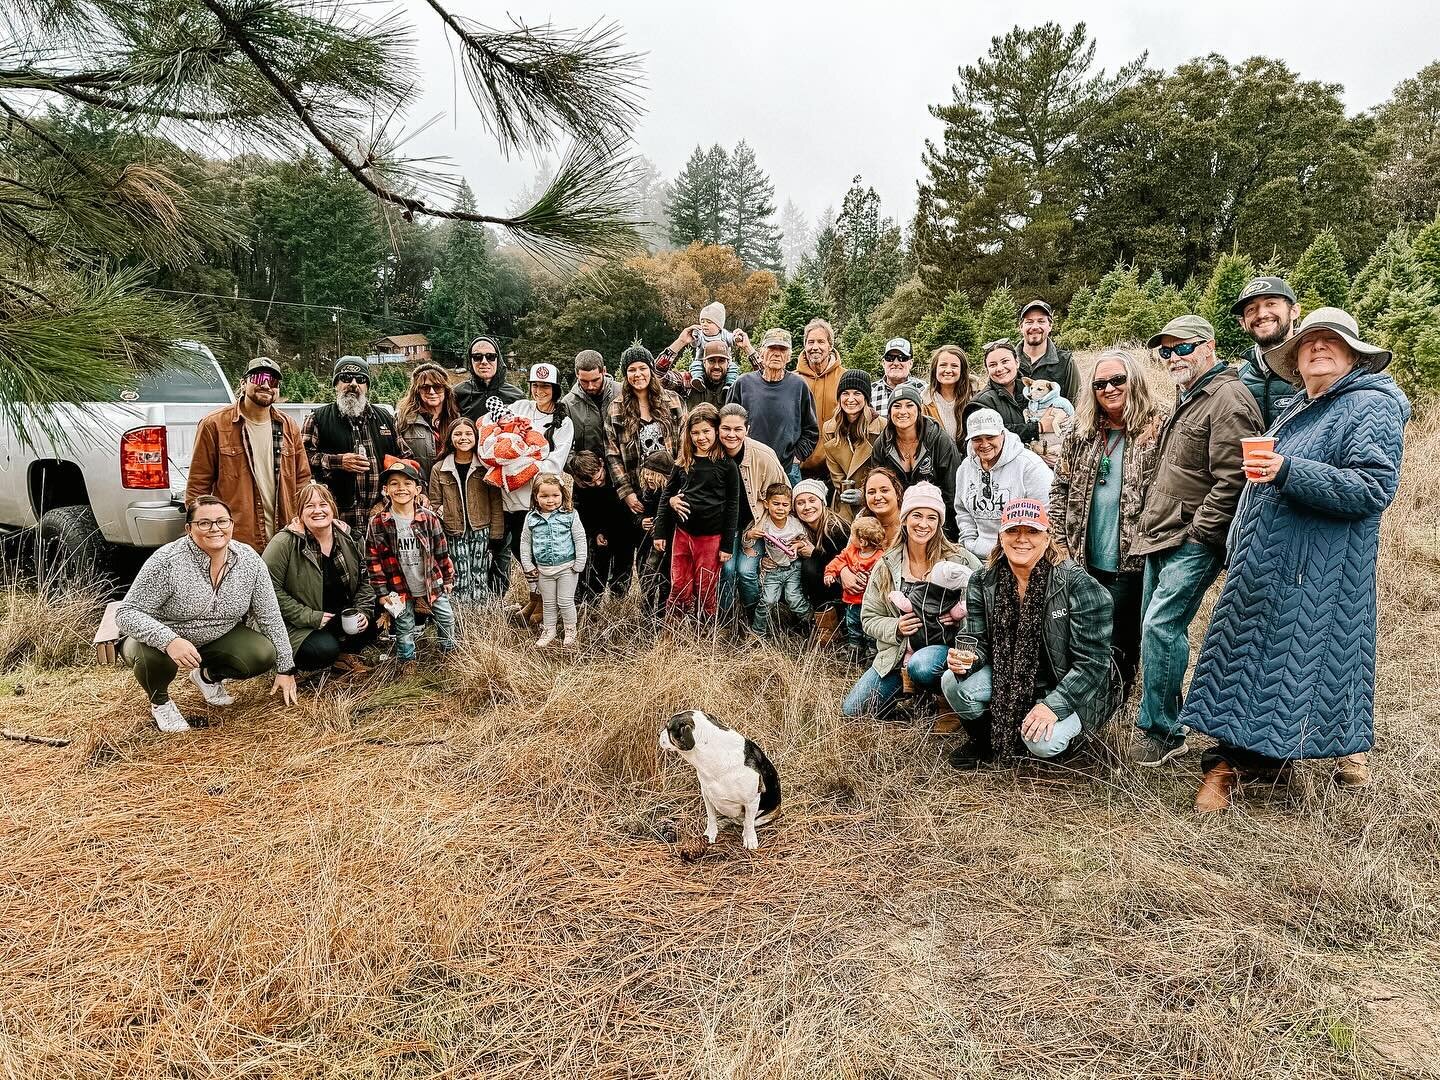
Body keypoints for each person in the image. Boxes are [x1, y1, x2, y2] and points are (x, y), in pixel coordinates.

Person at [1182, 308, 1410, 810]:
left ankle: (1232, 766)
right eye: (1309, 343)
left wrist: (1287, 469)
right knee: (1248, 660)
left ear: (1354, 354)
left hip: (1315, 569)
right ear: (1296, 358)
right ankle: (1261, 763)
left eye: (1332, 341)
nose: (1318, 348)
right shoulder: (1298, 405)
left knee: (1285, 665)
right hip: (1266, 560)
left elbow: (1372, 488)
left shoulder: (1370, 405)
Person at [1130, 314, 1262, 768]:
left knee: (1160, 626)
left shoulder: (1229, 399)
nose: (1173, 358)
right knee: (1154, 626)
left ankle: (1163, 730)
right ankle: (1162, 718)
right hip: (1163, 533)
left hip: (1193, 538)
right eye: (1165, 351)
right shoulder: (1192, 395)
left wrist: (1200, 534)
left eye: (1182, 347)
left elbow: (1234, 479)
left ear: (1207, 346)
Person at [941, 499, 1114, 768]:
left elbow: (1093, 663)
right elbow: (975, 639)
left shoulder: (1077, 584)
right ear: (1001, 536)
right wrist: (966, 658)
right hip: (1009, 676)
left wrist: (1055, 705)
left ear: (1047, 539)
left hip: (1069, 683)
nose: (1022, 540)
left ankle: (1067, 742)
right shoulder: (982, 580)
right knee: (952, 681)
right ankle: (987, 743)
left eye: (1032, 531)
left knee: (1042, 743)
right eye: (1013, 531)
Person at [115, 496, 297, 732]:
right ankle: (160, 702)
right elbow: (126, 612)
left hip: (216, 636)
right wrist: (169, 640)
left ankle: (207, 677)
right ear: (189, 529)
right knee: (153, 661)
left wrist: (286, 667)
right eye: (204, 523)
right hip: (159, 639)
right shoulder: (166, 561)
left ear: (232, 525)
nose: (215, 529)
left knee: (262, 654)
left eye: (222, 521)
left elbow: (269, 615)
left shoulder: (249, 560)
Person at [1049, 349, 1167, 697]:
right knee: (1083, 632)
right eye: (1100, 383)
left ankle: (1115, 701)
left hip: (1133, 558)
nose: (1109, 389)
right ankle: (1084, 696)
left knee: (1121, 637)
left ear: (1135, 381)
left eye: (1118, 380)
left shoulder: (1158, 427)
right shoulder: (1080, 431)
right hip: (1083, 556)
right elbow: (1059, 488)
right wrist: (1060, 544)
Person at [841, 483, 980, 720]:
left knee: (922, 666)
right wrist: (896, 627)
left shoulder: (958, 558)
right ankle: (915, 697)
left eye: (931, 517)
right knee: (853, 711)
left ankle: (946, 701)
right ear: (904, 519)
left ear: (939, 523)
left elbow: (982, 591)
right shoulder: (887, 564)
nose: (923, 524)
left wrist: (960, 616)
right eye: (916, 515)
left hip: (944, 650)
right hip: (898, 656)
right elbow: (868, 618)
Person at [187, 357, 310, 552]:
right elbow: (197, 487)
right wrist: (203, 535)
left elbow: (302, 480)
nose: (266, 384)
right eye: (259, 377)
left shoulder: (289, 426)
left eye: (274, 381)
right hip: (236, 542)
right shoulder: (214, 425)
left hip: (284, 540)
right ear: (243, 384)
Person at [262, 481, 375, 674]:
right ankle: (295, 663)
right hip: (298, 620)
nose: (318, 510)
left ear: (332, 508)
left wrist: (363, 611)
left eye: (323, 504)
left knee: (373, 622)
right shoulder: (285, 542)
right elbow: (267, 591)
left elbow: (366, 579)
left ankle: (342, 654)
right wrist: (311, 617)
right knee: (323, 650)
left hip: (335, 613)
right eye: (309, 506)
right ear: (300, 513)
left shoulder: (348, 537)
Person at [693, 403, 788, 620]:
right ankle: (725, 619)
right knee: (726, 571)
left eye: (738, 429)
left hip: (753, 524)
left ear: (747, 429)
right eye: (726, 429)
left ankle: (755, 617)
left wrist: (764, 528)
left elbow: (783, 493)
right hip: (723, 526)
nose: (732, 435)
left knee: (745, 571)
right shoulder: (710, 453)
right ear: (718, 429)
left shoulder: (763, 456)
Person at [490, 363, 575, 602]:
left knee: (542, 555)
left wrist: (518, 464)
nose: (540, 391)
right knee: (521, 553)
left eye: (546, 386)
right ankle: (534, 599)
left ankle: (547, 603)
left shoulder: (563, 422)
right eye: (536, 385)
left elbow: (554, 465)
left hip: (538, 501)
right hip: (511, 499)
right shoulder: (519, 407)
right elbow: (499, 436)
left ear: (556, 388)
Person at [301, 357, 405, 540]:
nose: (354, 384)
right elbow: (303, 459)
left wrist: (386, 499)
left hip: (380, 517)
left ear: (367, 386)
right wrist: (338, 462)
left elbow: (404, 461)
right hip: (336, 519)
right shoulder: (318, 418)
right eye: (347, 378)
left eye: (360, 379)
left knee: (381, 568)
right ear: (336, 384)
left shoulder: (386, 419)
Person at [604, 345, 686, 577]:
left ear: (651, 370)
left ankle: (671, 604)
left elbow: (684, 445)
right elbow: (612, 454)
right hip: (639, 491)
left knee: (671, 549)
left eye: (642, 368)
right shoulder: (616, 408)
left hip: (672, 489)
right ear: (625, 374)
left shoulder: (673, 401)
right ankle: (649, 604)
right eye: (631, 370)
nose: (638, 374)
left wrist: (681, 485)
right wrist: (626, 492)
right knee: (645, 553)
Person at [653, 404, 740, 620]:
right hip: (683, 534)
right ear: (688, 434)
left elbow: (732, 504)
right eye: (695, 433)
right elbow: (667, 495)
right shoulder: (684, 462)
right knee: (680, 584)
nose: (700, 437)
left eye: (706, 431)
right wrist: (660, 531)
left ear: (716, 431)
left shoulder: (726, 465)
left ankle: (705, 631)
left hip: (711, 538)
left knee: (706, 586)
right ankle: (674, 629)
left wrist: (727, 544)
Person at [367, 460, 456, 668]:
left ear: (417, 490)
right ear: (385, 490)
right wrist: (381, 594)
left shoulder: (429, 519)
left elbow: (442, 550)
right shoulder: (378, 523)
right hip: (398, 587)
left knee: (446, 616)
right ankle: (408, 661)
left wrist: (448, 577)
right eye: (394, 484)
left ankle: (448, 653)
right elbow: (374, 561)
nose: (401, 489)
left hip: (430, 582)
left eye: (407, 483)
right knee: (404, 624)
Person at [562, 351, 627, 600]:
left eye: (595, 381)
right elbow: (563, 446)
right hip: (589, 487)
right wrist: (577, 470)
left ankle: (620, 596)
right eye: (583, 381)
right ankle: (590, 598)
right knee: (593, 546)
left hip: (620, 482)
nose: (589, 386)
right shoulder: (569, 403)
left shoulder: (623, 392)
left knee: (622, 544)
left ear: (604, 371)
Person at [953, 407, 1053, 560]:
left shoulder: (1030, 466)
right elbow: (962, 510)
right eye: (977, 439)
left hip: (1020, 557)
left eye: (990, 437)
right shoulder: (965, 468)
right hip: (976, 556)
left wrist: (1021, 553)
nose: (984, 444)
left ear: (1002, 434)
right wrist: (969, 542)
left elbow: (1047, 514)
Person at [727, 327, 819, 487]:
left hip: (788, 470)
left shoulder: (799, 386)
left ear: (789, 356)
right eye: (772, 348)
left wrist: (796, 457)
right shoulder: (743, 384)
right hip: (748, 467)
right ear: (762, 352)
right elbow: (726, 425)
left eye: (782, 349)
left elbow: (811, 430)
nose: (777, 353)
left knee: (788, 512)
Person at [428, 416, 504, 604]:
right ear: (450, 438)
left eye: (469, 433)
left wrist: (496, 533)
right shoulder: (440, 468)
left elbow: (495, 502)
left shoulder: (485, 467)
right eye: (458, 434)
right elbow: (435, 502)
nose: (464, 438)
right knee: (459, 572)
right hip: (453, 530)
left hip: (481, 527)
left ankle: (479, 612)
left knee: (480, 571)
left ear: (476, 437)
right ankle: (461, 613)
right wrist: (449, 517)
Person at [869, 386, 961, 539]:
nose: (903, 411)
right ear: (889, 412)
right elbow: (878, 485)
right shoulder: (882, 444)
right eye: (897, 406)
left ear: (919, 409)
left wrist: (946, 533)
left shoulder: (939, 440)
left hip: (935, 521)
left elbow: (952, 491)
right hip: (897, 521)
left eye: (909, 405)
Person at [519, 472, 587, 648]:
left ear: (563, 495)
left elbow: (579, 538)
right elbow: (525, 542)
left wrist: (580, 562)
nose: (550, 500)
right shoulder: (531, 518)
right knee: (548, 603)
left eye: (555, 495)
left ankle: (570, 630)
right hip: (544, 569)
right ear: (536, 497)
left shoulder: (570, 515)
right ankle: (549, 630)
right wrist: (527, 564)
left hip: (567, 568)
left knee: (565, 601)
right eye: (544, 496)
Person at [1231, 276, 1302, 428]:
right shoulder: (1238, 381)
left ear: (1294, 311)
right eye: (1251, 309)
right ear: (1243, 323)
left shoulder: (1316, 370)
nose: (1262, 314)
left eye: (1271, 303)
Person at [745, 482, 811, 637]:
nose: (780, 508)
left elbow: (806, 540)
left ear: (790, 507)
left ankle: (812, 623)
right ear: (767, 504)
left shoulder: (794, 524)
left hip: (793, 567)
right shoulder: (763, 523)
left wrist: (799, 545)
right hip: (773, 570)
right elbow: (746, 543)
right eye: (776, 504)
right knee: (767, 601)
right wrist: (749, 535)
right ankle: (757, 633)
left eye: (785, 505)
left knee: (794, 598)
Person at [970, 340, 1063, 445]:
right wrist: (1038, 428)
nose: (1000, 368)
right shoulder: (981, 402)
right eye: (992, 365)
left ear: (1017, 363)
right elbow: (990, 435)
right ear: (987, 370)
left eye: (1005, 361)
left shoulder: (1033, 390)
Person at [823, 369, 886, 522]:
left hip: (875, 500)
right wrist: (847, 492)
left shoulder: (883, 427)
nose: (850, 399)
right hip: (843, 503)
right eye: (845, 393)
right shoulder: (829, 428)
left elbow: (886, 472)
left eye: (857, 393)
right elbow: (836, 475)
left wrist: (864, 494)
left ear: (866, 398)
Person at [791, 477, 850, 633]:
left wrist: (815, 554)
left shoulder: (834, 529)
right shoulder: (801, 529)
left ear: (822, 502)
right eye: (800, 502)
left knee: (810, 566)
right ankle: (808, 618)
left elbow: (845, 564)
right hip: (827, 582)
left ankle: (829, 627)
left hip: (846, 585)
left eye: (812, 500)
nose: (807, 507)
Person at [825, 514, 887, 660]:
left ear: (863, 541)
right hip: (852, 602)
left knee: (869, 628)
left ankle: (872, 653)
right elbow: (838, 561)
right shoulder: (850, 551)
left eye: (852, 535)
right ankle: (855, 649)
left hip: (871, 603)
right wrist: (830, 573)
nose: (850, 538)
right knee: (853, 624)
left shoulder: (879, 558)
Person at [395, 362, 459, 483]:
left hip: (451, 488)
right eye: (425, 387)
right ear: (417, 391)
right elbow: (399, 458)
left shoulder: (456, 419)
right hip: (419, 489)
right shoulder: (403, 420)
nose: (432, 391)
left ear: (446, 390)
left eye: (438, 387)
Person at [795, 318, 843, 479]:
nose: (815, 347)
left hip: (834, 467)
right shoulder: (793, 380)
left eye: (821, 342)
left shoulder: (844, 378)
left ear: (830, 346)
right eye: (810, 342)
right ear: (805, 346)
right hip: (799, 465)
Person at [636, 450, 676, 615]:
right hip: (645, 545)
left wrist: (661, 527)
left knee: (665, 582)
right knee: (646, 579)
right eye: (647, 474)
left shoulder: (671, 496)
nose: (649, 478)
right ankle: (646, 614)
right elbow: (635, 513)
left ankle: (662, 614)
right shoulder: (644, 493)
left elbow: (675, 520)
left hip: (665, 547)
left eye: (654, 475)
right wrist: (641, 521)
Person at [1017, 300, 1077, 403]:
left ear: (1050, 326)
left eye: (1041, 321)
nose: (1035, 327)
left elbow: (1077, 402)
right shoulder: (1008, 363)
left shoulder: (1066, 362)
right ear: (1021, 327)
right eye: (1029, 322)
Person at [455, 335, 523, 420]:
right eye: (477, 357)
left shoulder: (516, 396)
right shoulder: (457, 394)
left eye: (490, 356)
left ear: (498, 360)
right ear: (470, 360)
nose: (484, 362)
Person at [657, 336, 735, 410]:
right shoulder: (688, 381)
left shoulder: (736, 386)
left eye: (721, 361)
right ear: (704, 362)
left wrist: (747, 349)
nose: (716, 366)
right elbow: (658, 376)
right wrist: (680, 342)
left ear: (728, 363)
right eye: (711, 361)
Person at [922, 345, 974, 446]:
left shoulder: (975, 396)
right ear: (935, 369)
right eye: (943, 365)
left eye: (954, 366)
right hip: (939, 459)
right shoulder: (925, 402)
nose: (948, 370)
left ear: (962, 370)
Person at [870, 337, 927, 417]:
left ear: (911, 363)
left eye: (902, 358)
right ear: (883, 363)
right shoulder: (869, 392)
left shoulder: (925, 390)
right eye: (890, 358)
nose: (896, 363)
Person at [857, 466, 905, 550]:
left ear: (897, 493)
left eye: (884, 490)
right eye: (871, 492)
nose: (878, 497)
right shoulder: (861, 518)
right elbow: (848, 556)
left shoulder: (910, 520)